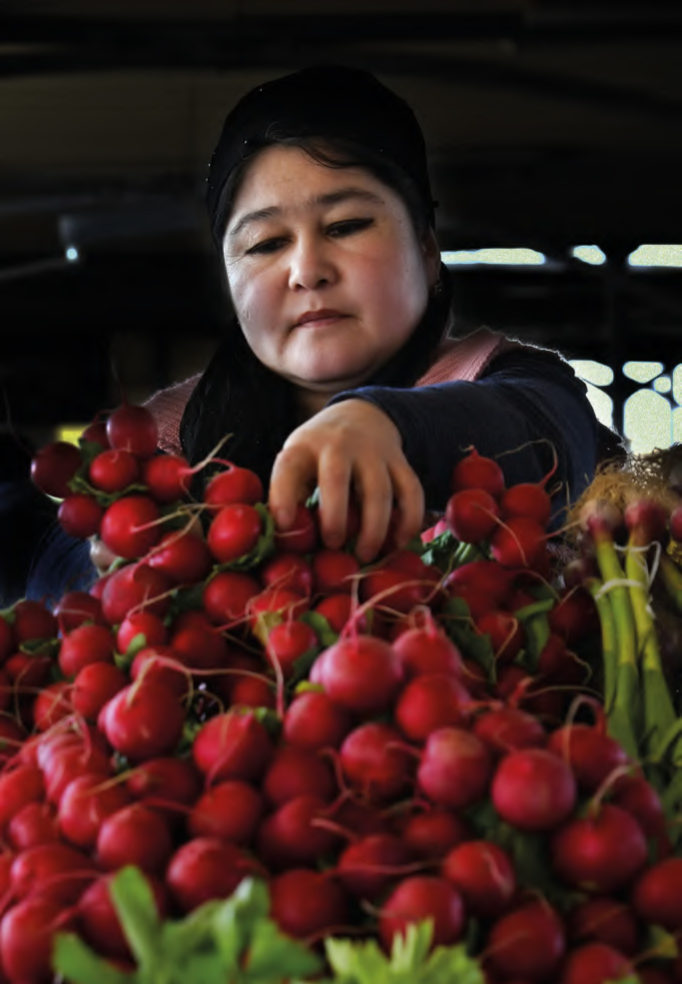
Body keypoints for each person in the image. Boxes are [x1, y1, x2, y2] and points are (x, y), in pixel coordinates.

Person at [25, 64, 614, 601]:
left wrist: (386, 423)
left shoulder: (511, 385)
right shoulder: (162, 442)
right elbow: (56, 580)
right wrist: (105, 559)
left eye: (348, 225)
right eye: (266, 244)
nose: (308, 270)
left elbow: (548, 434)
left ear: (429, 251)